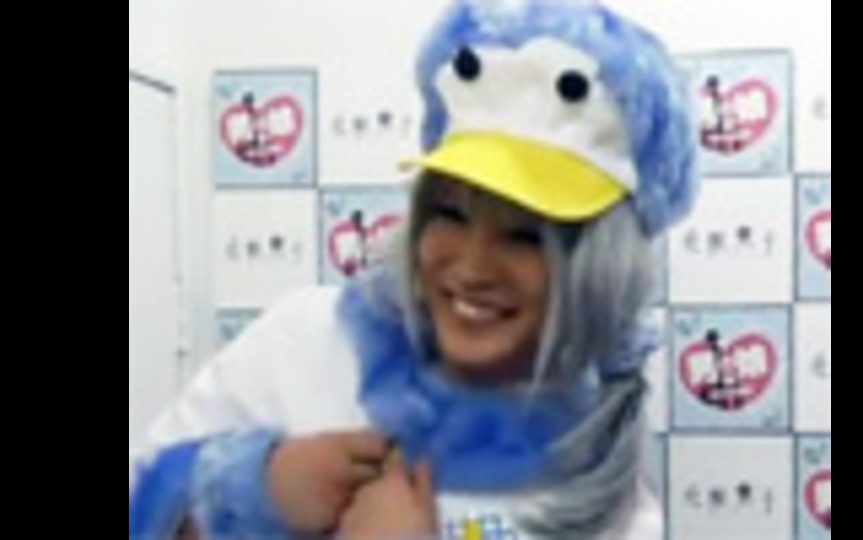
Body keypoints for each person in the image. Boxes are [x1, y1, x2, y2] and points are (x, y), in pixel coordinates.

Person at [129, 0, 697, 537]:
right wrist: (254, 487)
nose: (471, 267)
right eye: (450, 214)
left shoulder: (596, 467)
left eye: (525, 237)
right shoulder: (304, 341)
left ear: (598, 270)